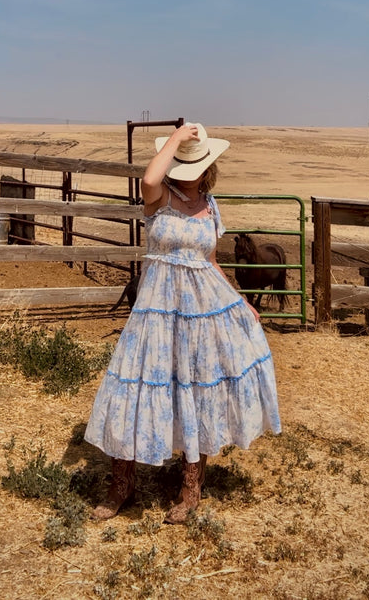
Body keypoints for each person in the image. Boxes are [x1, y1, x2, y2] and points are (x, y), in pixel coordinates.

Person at [84, 122, 281, 524]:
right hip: (157, 311)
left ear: (208, 168)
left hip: (203, 312)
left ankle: (191, 485)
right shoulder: (160, 198)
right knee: (135, 387)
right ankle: (122, 484)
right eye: (181, 161)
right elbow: (148, 177)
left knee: (199, 389)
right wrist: (176, 139)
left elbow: (210, 262)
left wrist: (240, 299)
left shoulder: (211, 206)